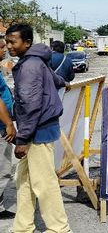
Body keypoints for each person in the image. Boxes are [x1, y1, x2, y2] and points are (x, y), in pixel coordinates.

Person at [6, 24, 72, 233]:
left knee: (45, 184)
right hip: (41, 128)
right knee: (24, 180)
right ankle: (22, 227)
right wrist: (65, 83)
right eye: (7, 41)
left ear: (27, 42)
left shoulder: (29, 66)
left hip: (37, 132)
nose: (9, 46)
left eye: (13, 41)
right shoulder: (36, 61)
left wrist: (23, 139)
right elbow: (54, 79)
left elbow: (30, 105)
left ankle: (59, 229)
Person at [0, 38, 16, 220]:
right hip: (1, 125)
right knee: (3, 167)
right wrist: (9, 124)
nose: (5, 49)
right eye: (2, 46)